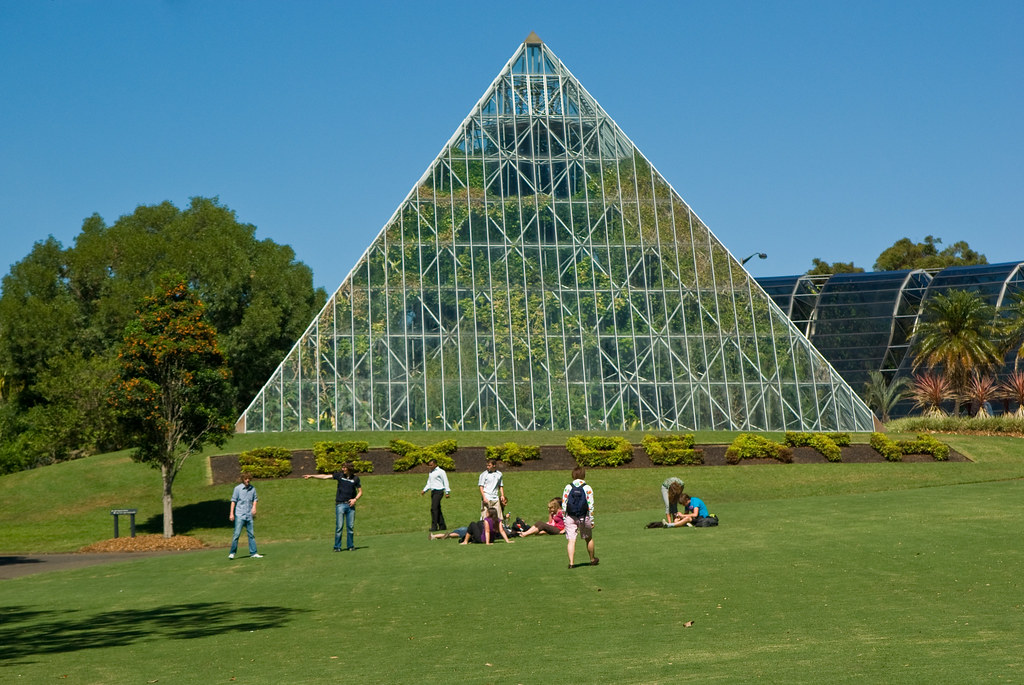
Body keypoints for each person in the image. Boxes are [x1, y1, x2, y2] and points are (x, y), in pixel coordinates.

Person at [304, 461, 362, 551]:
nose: (342, 469)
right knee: (339, 527)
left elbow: (360, 492)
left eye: (344, 467)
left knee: (350, 527)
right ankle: (337, 547)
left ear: (349, 468)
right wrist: (312, 476)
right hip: (340, 505)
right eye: (342, 467)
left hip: (350, 506)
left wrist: (355, 499)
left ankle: (350, 546)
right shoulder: (339, 475)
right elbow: (325, 476)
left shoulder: (355, 479)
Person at [561, 466, 597, 569]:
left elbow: (564, 504)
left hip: (570, 516)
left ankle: (571, 563)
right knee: (588, 539)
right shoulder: (587, 488)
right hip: (584, 516)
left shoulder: (568, 487)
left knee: (571, 540)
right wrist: (592, 519)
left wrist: (564, 518)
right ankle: (592, 559)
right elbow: (590, 505)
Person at [430, 507, 513, 544]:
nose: (486, 513)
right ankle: (467, 540)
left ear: (490, 514)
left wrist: (487, 543)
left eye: (487, 512)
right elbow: (501, 531)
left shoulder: (486, 520)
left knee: (472, 524)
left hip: (483, 540)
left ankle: (465, 541)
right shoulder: (498, 520)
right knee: (475, 526)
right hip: (492, 540)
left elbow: (487, 531)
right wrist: (507, 541)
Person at [229, 472, 262, 559]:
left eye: (249, 479)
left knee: (251, 534)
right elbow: (233, 501)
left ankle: (254, 553)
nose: (247, 480)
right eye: (246, 479)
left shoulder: (252, 489)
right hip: (240, 514)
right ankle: (232, 552)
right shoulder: (237, 489)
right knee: (236, 534)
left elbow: (255, 499)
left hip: (249, 515)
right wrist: (231, 513)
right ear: (243, 479)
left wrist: (254, 507)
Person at [420, 458, 450, 531]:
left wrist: (447, 492)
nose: (430, 466)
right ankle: (442, 526)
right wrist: (424, 490)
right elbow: (429, 483)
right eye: (429, 465)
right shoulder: (431, 472)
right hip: (433, 492)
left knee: (434, 509)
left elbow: (445, 481)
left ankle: (434, 526)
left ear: (435, 464)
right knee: (437, 509)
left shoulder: (441, 472)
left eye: (431, 465)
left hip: (439, 491)